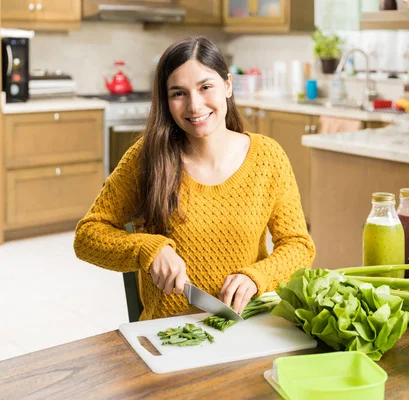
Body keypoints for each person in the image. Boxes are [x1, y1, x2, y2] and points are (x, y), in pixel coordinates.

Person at [74, 36, 315, 321]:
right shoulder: (147, 158)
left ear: (228, 85)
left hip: (247, 326)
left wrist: (256, 277)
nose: (195, 105)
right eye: (179, 93)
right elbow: (87, 236)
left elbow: (299, 246)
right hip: (168, 334)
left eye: (205, 87)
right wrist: (147, 249)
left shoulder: (268, 157)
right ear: (166, 100)